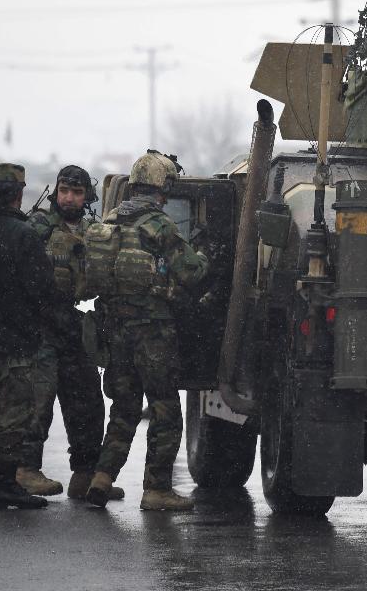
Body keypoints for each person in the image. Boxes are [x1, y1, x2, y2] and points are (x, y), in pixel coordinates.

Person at [86, 150, 209, 512]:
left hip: (114, 329)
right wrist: (204, 256)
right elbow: (192, 274)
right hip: (152, 333)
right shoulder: (159, 225)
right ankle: (157, 489)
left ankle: (102, 478)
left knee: (123, 410)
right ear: (162, 186)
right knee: (165, 410)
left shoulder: (109, 222)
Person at [0, 163, 68, 510]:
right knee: (13, 417)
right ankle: (5, 484)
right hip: (16, 343)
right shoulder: (26, 236)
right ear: (19, 194)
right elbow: (43, 290)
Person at [22, 165, 121, 501]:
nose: (69, 198)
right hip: (43, 328)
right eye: (64, 191)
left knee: (88, 404)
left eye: (76, 192)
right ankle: (26, 470)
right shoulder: (37, 226)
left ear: (86, 196)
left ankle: (85, 473)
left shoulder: (96, 231)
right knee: (38, 400)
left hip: (79, 329)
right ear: (56, 192)